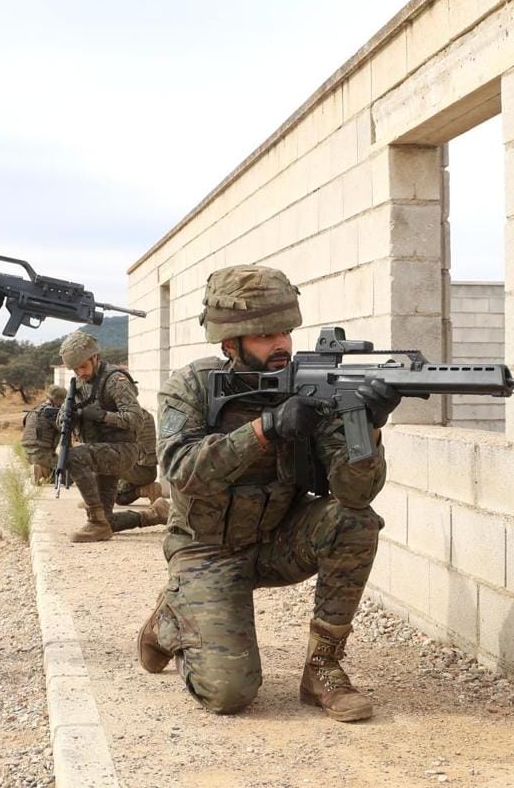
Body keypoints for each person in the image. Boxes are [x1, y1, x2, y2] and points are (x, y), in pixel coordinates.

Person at [135, 265, 400, 720]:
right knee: (229, 695)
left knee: (355, 521)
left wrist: (368, 428)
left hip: (278, 541)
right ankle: (171, 616)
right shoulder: (193, 386)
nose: (280, 344)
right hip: (206, 552)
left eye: (284, 332)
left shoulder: (314, 387)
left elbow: (355, 494)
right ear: (229, 343)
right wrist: (267, 427)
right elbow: (181, 471)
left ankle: (323, 668)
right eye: (263, 336)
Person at [58, 331, 169, 543]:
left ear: (94, 358)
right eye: (75, 369)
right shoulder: (78, 386)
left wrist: (102, 416)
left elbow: (136, 419)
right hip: (101, 451)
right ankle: (155, 514)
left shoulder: (115, 380)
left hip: (122, 450)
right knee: (108, 519)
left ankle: (95, 522)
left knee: (74, 456)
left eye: (83, 366)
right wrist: (66, 417)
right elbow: (61, 422)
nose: (80, 372)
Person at [21, 385, 68, 485]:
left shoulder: (34, 410)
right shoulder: (53, 413)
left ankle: (38, 470)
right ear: (58, 400)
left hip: (27, 452)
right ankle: (40, 471)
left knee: (54, 466)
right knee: (67, 476)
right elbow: (64, 430)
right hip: (42, 452)